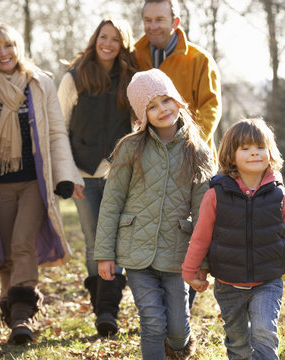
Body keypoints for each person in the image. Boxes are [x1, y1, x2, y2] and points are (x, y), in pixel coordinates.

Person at [0, 24, 84, 345]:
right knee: (5, 246)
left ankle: (22, 314)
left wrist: (64, 176)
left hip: (34, 181)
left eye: (8, 45)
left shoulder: (40, 83)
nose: (3, 53)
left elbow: (55, 133)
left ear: (18, 47)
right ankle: (12, 307)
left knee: (23, 242)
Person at [94, 69, 216, 359]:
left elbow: (204, 211)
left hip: (177, 255)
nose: (162, 109)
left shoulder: (197, 151)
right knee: (151, 322)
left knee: (176, 329)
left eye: (166, 100)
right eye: (152, 106)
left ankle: (177, 349)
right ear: (141, 114)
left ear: (177, 100)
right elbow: (111, 202)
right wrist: (105, 254)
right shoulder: (131, 148)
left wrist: (203, 261)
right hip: (137, 252)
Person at [182, 117, 285, 360]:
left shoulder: (279, 196)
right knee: (237, 344)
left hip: (267, 282)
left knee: (264, 334)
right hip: (228, 284)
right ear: (231, 154)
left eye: (260, 147)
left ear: (270, 152)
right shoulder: (216, 195)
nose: (254, 153)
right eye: (245, 148)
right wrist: (189, 272)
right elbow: (200, 237)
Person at [136, 0, 222, 307]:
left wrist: (192, 140)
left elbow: (212, 105)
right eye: (147, 20)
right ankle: (161, 302)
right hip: (150, 158)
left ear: (176, 21)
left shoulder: (198, 58)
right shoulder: (136, 54)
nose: (153, 26)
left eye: (159, 19)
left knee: (190, 228)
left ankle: (184, 301)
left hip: (191, 158)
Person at [57, 18, 138, 337]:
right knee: (94, 242)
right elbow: (59, 128)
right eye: (103, 37)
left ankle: (108, 311)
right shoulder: (75, 77)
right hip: (83, 173)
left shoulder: (131, 79)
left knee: (116, 239)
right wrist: (67, 173)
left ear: (123, 45)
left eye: (115, 39)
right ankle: (102, 309)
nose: (108, 43)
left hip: (120, 173)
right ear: (95, 40)